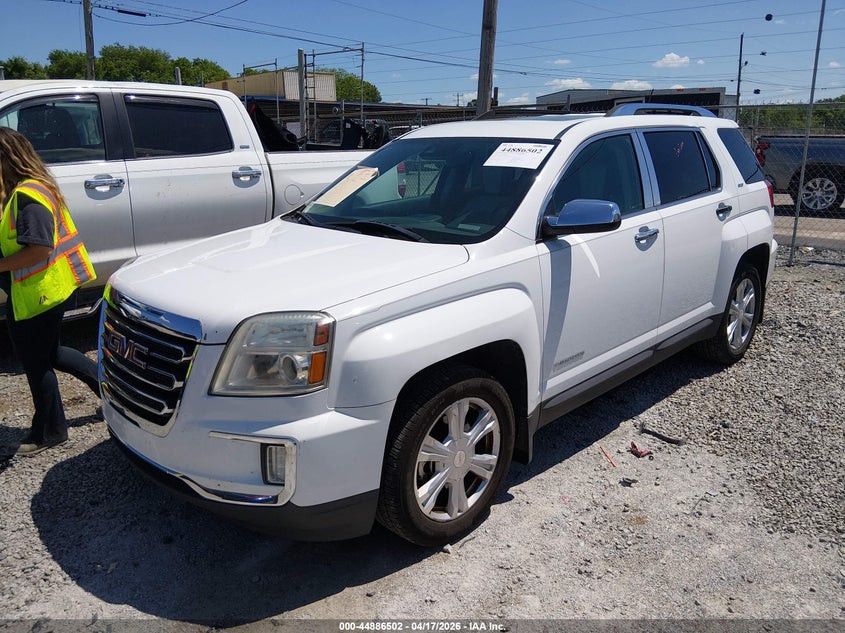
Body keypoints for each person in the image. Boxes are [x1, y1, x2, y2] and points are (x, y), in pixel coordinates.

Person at [0, 127, 99, 457]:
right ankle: (111, 392)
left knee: (36, 361)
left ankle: (49, 432)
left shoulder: (28, 196)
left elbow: (39, 249)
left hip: (38, 294)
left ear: (7, 158)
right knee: (51, 353)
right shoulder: (30, 188)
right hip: (45, 290)